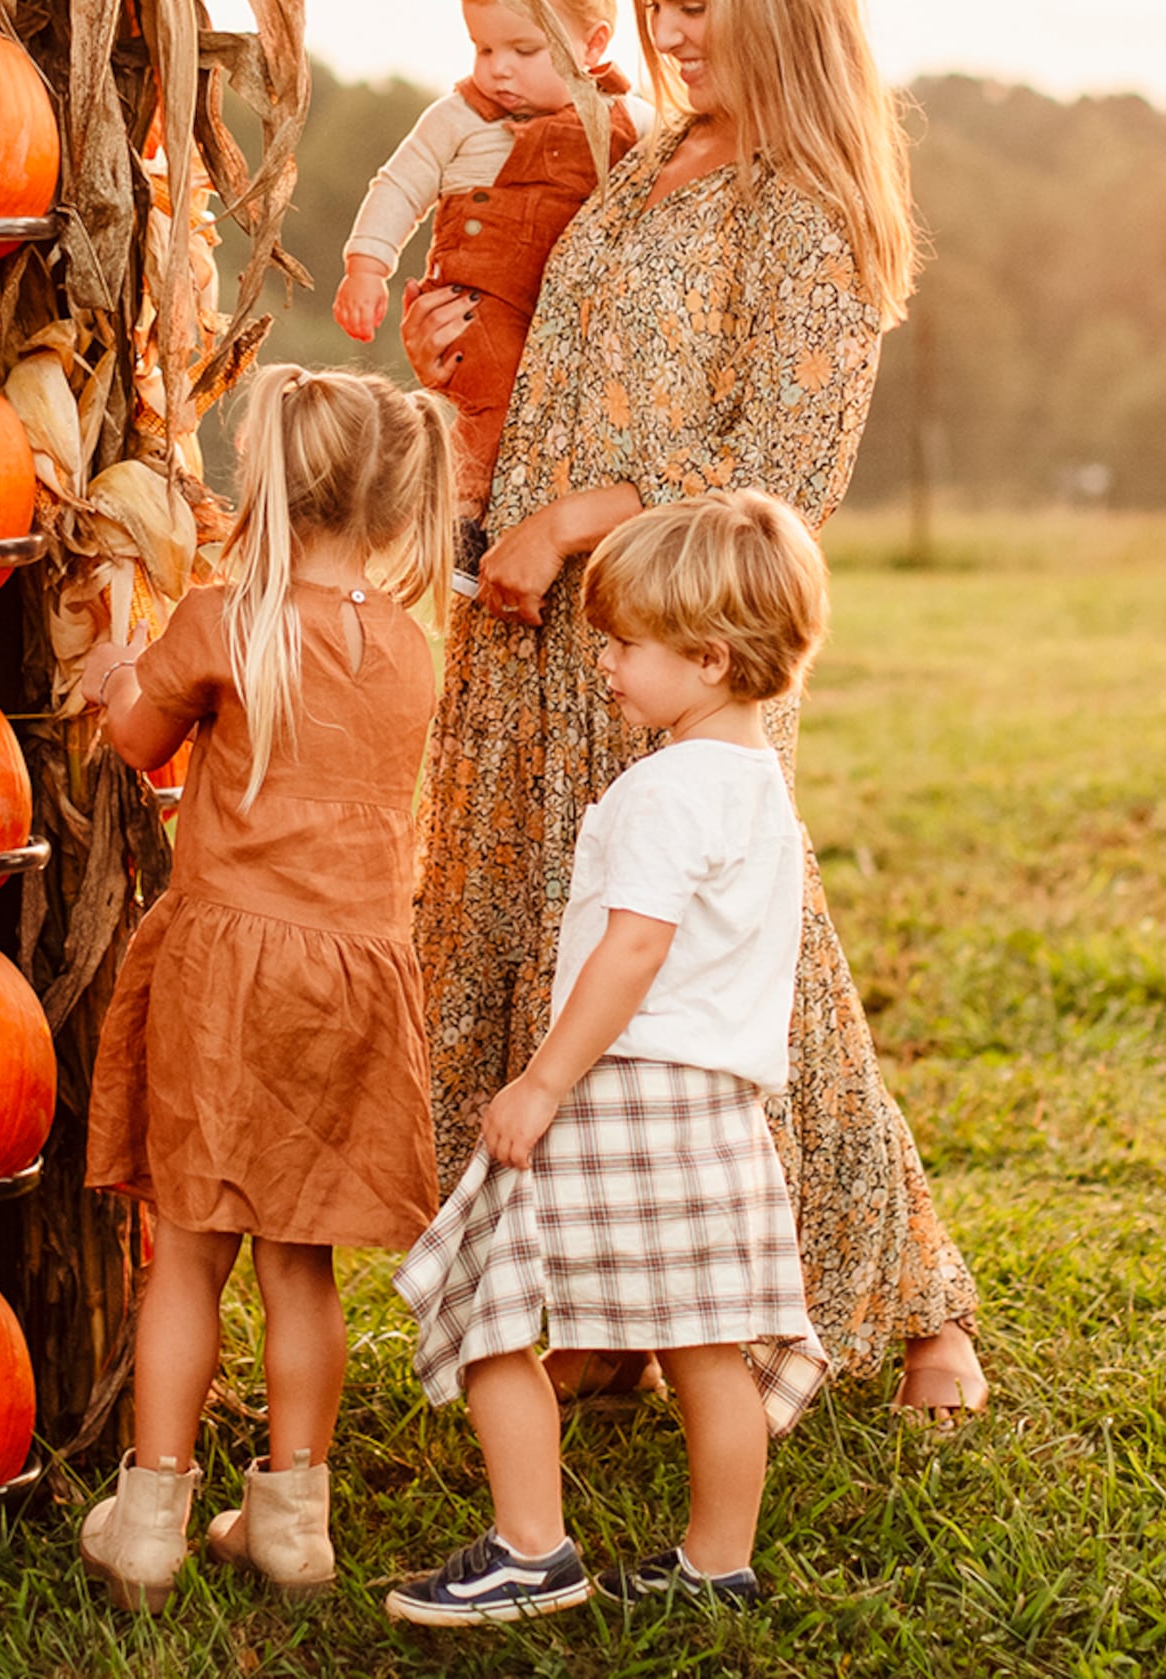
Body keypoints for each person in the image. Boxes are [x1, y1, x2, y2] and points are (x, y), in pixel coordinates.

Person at [410, 0, 986, 1424]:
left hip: (681, 643)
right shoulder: (639, 162)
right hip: (535, 635)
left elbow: (781, 468)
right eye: (653, 5)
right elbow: (557, 357)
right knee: (542, 942)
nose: (665, 36)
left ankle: (907, 1292)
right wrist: (455, 340)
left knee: (739, 974)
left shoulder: (806, 206)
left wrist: (575, 517)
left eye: (690, 4)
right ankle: (594, 1293)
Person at [387, 493, 835, 1624]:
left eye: (626, 644)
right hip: (717, 1105)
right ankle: (715, 1566)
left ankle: (531, 1550)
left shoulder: (665, 791)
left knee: (491, 1302)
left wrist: (542, 1082)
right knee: (705, 1345)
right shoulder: (760, 791)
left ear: (711, 659)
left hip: (621, 1087)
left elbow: (634, 949)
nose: (605, 662)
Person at [70, 364, 461, 1603]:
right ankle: (293, 1523)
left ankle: (150, 1522)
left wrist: (113, 675)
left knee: (185, 1254)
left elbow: (140, 748)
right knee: (301, 1264)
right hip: (353, 979)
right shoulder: (409, 649)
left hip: (228, 972)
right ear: (403, 512)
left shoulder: (221, 619)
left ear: (272, 486)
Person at [333, 0, 645, 564]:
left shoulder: (629, 121)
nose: (499, 69)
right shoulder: (459, 118)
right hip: (480, 304)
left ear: (593, 44)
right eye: (483, 49)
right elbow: (399, 185)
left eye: (524, 50)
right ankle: (469, 519)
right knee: (495, 394)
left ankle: (542, 520)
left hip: (569, 321)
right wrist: (366, 266)